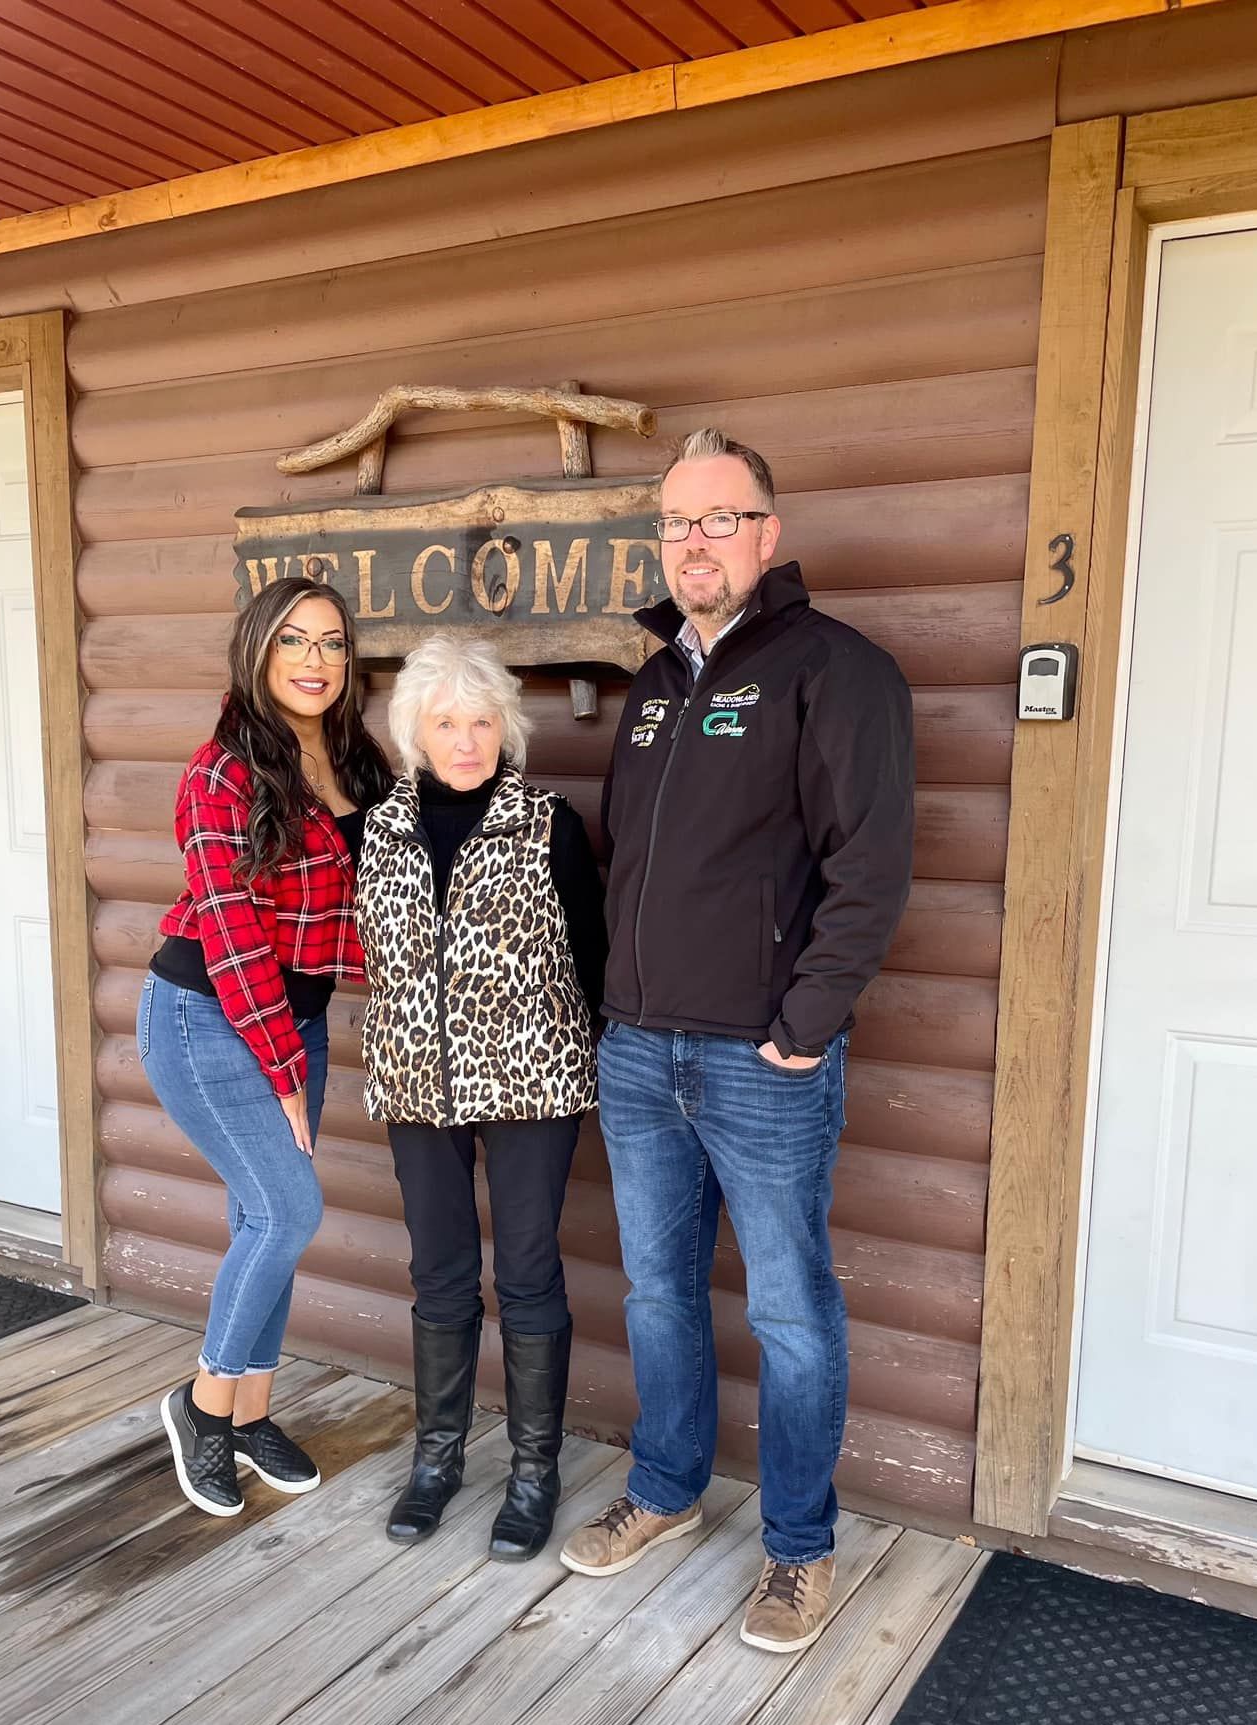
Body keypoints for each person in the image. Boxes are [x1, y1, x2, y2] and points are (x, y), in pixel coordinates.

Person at [560, 427, 915, 1654]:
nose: (695, 542)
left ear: (768, 531)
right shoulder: (655, 687)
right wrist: (616, 1009)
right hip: (641, 1052)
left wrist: (805, 1029)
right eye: (676, 522)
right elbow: (628, 864)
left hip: (761, 1063)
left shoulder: (835, 669)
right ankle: (665, 1489)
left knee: (790, 1310)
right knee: (658, 1289)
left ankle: (799, 1550)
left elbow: (868, 870)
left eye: (719, 518)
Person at [140, 577, 393, 1516]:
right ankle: (203, 1404)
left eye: (331, 644)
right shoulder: (221, 774)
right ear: (258, 651)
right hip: (207, 1012)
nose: (316, 661)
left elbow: (359, 909)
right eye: (294, 641)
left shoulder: (359, 764)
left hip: (300, 1013)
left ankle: (250, 1414)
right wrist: (283, 1065)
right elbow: (235, 930)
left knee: (262, 1218)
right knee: (287, 1213)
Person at [355, 636, 607, 1562]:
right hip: (417, 1079)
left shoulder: (550, 824)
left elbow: (593, 955)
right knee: (440, 1270)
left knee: (530, 1269)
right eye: (446, 722)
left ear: (508, 726)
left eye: (483, 719)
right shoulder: (374, 830)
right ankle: (438, 1459)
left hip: (535, 1081)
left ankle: (533, 1472)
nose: (467, 740)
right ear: (414, 733)